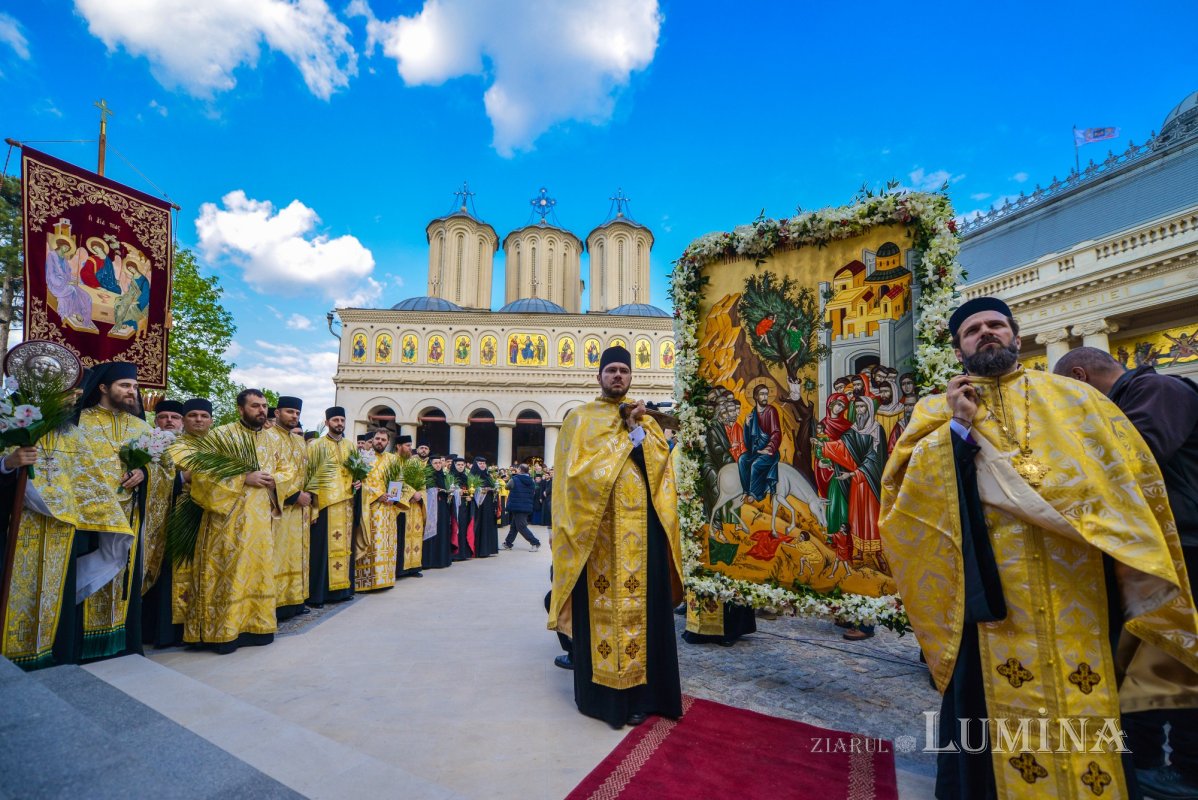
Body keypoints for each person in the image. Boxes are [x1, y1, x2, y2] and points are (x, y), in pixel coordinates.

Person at [881, 297, 1198, 799]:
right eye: (972, 330)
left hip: (1079, 590)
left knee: (1096, 701)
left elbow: (1128, 479)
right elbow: (906, 500)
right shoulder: (934, 413)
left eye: (995, 325)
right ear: (959, 349)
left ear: (1016, 335)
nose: (986, 333)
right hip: (993, 595)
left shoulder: (1075, 400)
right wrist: (958, 428)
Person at [1054, 345, 1198, 797]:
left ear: (1080, 378)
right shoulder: (1134, 397)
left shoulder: (1158, 390)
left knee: (1182, 658)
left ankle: (1190, 770)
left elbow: (1134, 457)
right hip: (1150, 552)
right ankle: (1143, 757)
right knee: (1144, 659)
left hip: (1186, 548)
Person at [548, 345, 683, 729]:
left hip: (643, 536)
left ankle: (645, 696)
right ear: (599, 377)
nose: (618, 376)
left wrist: (634, 429)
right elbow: (573, 479)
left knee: (646, 616)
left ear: (631, 377)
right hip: (598, 540)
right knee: (601, 618)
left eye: (624, 370)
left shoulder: (648, 424)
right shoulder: (580, 420)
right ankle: (604, 698)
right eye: (612, 370)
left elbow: (660, 472)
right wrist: (622, 438)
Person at [183, 389, 293, 653]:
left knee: (258, 571)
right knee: (229, 572)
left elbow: (288, 470)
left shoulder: (274, 439)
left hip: (261, 522)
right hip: (226, 521)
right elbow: (202, 473)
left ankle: (257, 626)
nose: (261, 410)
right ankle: (224, 632)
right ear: (240, 409)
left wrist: (274, 480)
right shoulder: (221, 435)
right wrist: (244, 478)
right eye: (255, 406)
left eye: (264, 405)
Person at [74, 361, 158, 661]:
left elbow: (162, 468)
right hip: (88, 520)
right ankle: (79, 647)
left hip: (127, 518)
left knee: (123, 580)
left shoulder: (141, 427)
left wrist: (144, 473)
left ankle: (122, 644)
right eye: (125, 385)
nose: (132, 391)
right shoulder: (79, 421)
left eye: (134, 386)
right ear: (103, 387)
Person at [140, 399, 184, 648]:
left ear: (182, 422)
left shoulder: (190, 446)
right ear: (155, 421)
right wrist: (181, 478)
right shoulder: (145, 444)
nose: (169, 421)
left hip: (181, 520)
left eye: (174, 417)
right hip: (151, 520)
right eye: (164, 417)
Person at [308, 407, 357, 606]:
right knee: (321, 550)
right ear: (327, 422)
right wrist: (312, 506)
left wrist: (358, 483)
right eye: (335, 420)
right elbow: (309, 476)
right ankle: (319, 594)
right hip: (324, 504)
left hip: (346, 504)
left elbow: (356, 472)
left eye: (342, 420)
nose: (339, 423)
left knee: (345, 548)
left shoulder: (350, 446)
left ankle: (342, 591)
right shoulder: (316, 446)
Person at [271, 397, 311, 619]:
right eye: (289, 411)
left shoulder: (299, 441)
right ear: (277, 413)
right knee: (277, 554)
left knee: (296, 554)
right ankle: (276, 604)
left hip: (299, 512)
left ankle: (295, 600)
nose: (294, 416)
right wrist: (294, 496)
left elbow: (305, 474)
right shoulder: (268, 437)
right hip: (278, 509)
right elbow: (268, 472)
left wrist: (308, 495)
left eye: (297, 413)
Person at [354, 429, 402, 591]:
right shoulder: (363, 458)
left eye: (383, 439)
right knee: (371, 543)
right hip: (370, 508)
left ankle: (385, 579)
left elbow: (398, 480)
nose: (379, 442)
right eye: (377, 438)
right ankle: (367, 582)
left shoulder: (393, 459)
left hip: (388, 509)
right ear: (372, 440)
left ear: (388, 442)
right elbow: (359, 483)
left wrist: (393, 497)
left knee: (387, 544)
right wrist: (378, 495)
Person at [738, 383, 781, 503]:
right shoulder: (752, 414)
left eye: (766, 394)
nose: (765, 397)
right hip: (756, 451)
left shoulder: (771, 411)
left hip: (770, 452)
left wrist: (769, 448)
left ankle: (754, 494)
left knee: (756, 464)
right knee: (742, 459)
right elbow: (748, 443)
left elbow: (776, 433)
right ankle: (746, 490)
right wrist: (747, 425)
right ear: (756, 396)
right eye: (762, 394)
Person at [392, 435, 425, 579]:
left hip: (415, 506)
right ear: (398, 446)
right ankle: (399, 569)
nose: (410, 448)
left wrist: (420, 493)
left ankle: (413, 567)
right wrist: (411, 493)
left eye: (411, 445)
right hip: (400, 506)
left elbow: (422, 481)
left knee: (415, 535)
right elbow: (394, 482)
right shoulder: (392, 461)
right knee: (400, 536)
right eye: (407, 445)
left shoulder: (413, 463)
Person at [422, 455, 453, 569]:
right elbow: (423, 490)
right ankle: (430, 560)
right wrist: (434, 490)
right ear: (430, 464)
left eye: (439, 463)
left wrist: (450, 492)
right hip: (431, 507)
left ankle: (442, 559)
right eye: (435, 463)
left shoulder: (444, 477)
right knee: (431, 529)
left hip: (443, 507)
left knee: (442, 530)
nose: (438, 465)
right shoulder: (427, 476)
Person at [503, 464, 541, 551]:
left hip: (516, 505)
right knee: (514, 526)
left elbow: (507, 487)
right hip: (526, 505)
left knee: (521, 527)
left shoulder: (514, 479)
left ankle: (535, 543)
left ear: (520, 470)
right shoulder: (532, 480)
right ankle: (508, 543)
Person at [470, 456, 499, 557]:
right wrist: (482, 489)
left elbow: (493, 487)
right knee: (479, 524)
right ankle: (478, 550)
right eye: (480, 463)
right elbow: (471, 489)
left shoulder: (488, 476)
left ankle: (488, 549)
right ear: (476, 464)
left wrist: (494, 489)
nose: (482, 465)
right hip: (479, 506)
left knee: (488, 524)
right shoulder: (472, 475)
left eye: (483, 463)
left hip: (489, 505)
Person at [448, 455, 474, 560]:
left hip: (464, 507)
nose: (460, 466)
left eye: (462, 465)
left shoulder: (466, 477)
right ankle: (454, 553)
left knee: (463, 528)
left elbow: (470, 490)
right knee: (455, 528)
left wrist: (469, 497)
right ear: (454, 465)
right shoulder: (450, 477)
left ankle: (463, 553)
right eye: (458, 464)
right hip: (453, 507)